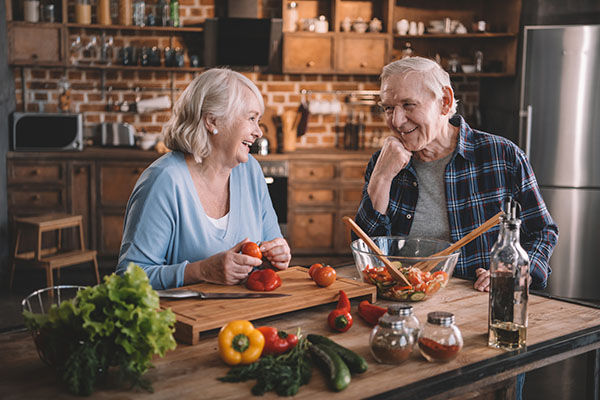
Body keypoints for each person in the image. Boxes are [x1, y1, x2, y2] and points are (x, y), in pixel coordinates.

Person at [355, 56, 558, 292]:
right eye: (388, 108)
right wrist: (381, 177)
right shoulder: (383, 163)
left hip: (480, 301)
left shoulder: (502, 156)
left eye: (408, 104)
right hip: (402, 299)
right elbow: (367, 252)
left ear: (445, 101)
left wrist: (514, 272)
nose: (396, 121)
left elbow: (543, 232)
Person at [116, 68, 291, 290]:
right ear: (212, 121)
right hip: (183, 320)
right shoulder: (164, 181)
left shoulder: (250, 171)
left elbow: (270, 246)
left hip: (244, 316)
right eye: (251, 118)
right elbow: (128, 280)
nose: (258, 132)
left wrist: (277, 255)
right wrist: (201, 271)